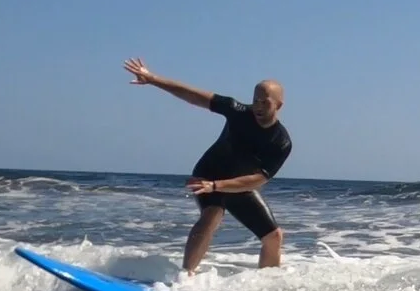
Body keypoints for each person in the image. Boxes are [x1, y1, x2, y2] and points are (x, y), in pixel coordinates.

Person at [124, 59, 293, 273]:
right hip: (207, 174)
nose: (258, 106)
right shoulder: (238, 111)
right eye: (256, 100)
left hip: (235, 184)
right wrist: (152, 78)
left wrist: (218, 186)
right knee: (212, 214)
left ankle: (267, 284)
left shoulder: (281, 142)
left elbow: (259, 179)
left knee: (274, 236)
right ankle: (185, 277)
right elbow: (193, 95)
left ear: (278, 105)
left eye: (265, 102)